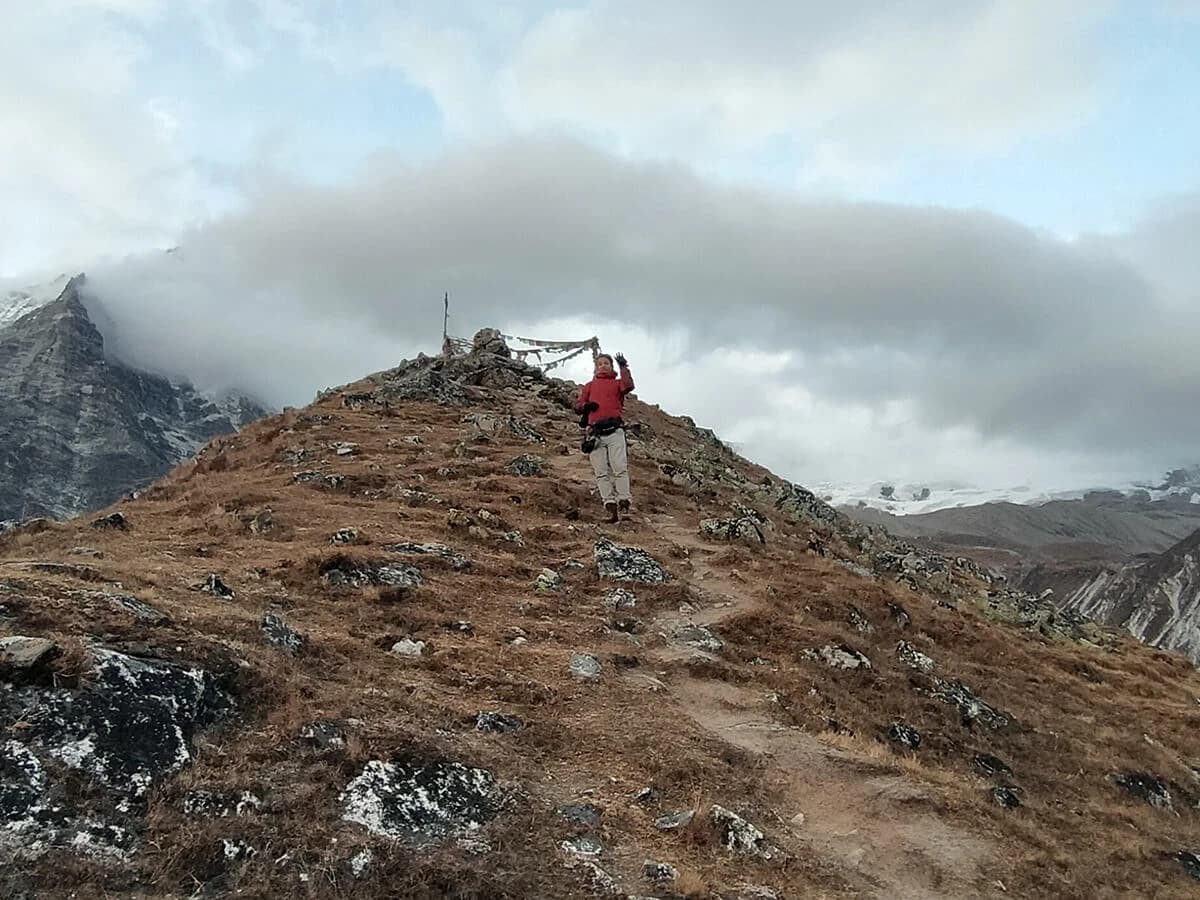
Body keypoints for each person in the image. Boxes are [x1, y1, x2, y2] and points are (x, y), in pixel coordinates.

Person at [575, 352, 635, 522]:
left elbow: (628, 386)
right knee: (601, 472)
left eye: (606, 363)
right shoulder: (589, 386)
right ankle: (610, 507)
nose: (603, 366)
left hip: (615, 430)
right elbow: (578, 406)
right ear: (596, 367)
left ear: (611, 366)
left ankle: (624, 504)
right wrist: (586, 406)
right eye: (600, 364)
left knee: (619, 468)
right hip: (595, 434)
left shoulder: (617, 384)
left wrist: (624, 367)